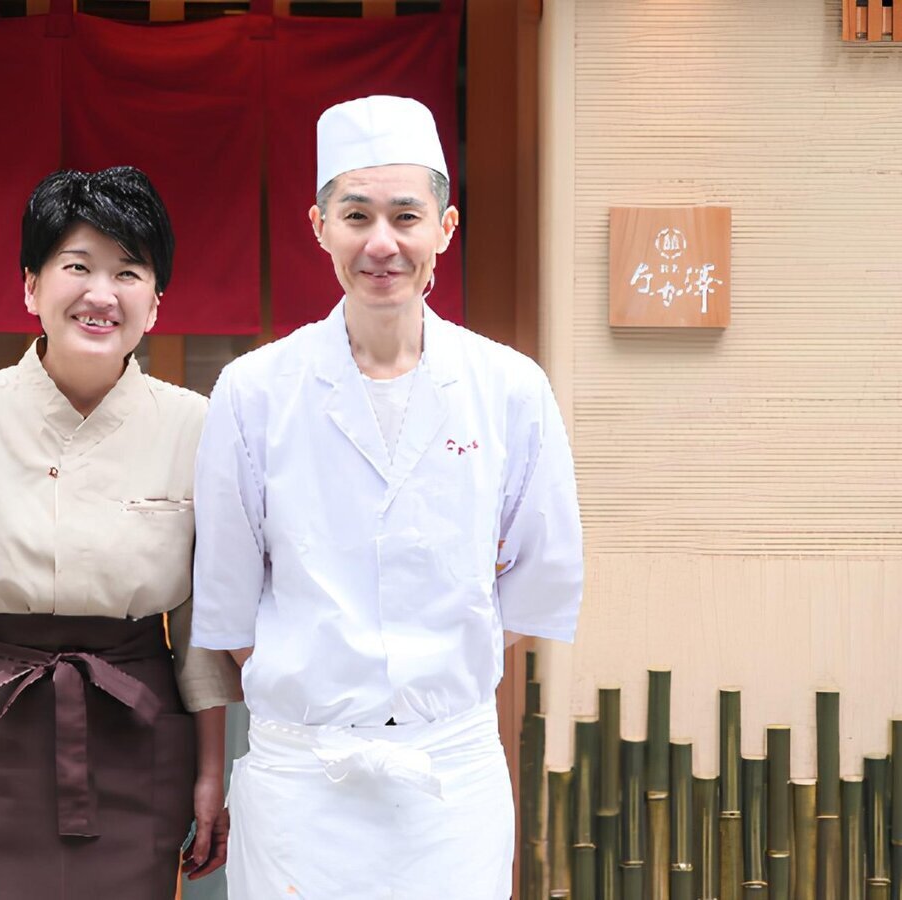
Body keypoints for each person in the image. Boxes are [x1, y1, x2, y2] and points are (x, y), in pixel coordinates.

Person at [191, 95, 584, 899]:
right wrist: (327, 683)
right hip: (302, 775)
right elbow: (228, 598)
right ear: (319, 227)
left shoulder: (509, 388)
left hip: (449, 778)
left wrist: (425, 673)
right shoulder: (254, 390)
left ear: (445, 227)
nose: (382, 243)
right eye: (356, 215)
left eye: (406, 216)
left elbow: (540, 575)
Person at [0, 167, 241, 899]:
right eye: (77, 267)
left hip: (137, 729)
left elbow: (204, 623)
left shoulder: (198, 426)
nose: (102, 293)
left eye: (128, 272)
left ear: (156, 303)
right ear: (31, 287)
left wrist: (210, 770)